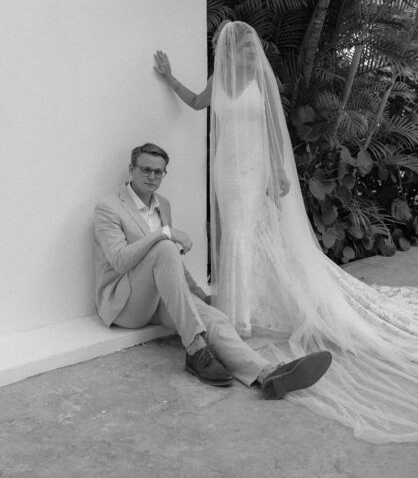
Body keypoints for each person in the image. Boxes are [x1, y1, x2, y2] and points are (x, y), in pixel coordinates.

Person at [154, 22, 418, 444]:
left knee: (245, 233)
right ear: (228, 50)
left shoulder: (259, 79)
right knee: (235, 234)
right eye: (239, 48)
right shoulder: (219, 80)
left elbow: (271, 131)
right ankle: (238, 306)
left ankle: (240, 313)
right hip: (226, 170)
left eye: (248, 47)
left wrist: (279, 171)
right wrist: (169, 77)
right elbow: (196, 103)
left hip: (253, 167)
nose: (245, 53)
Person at [93, 141, 332, 398]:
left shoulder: (163, 204)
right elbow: (119, 260)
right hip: (126, 305)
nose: (152, 176)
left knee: (213, 318)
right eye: (145, 169)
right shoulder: (108, 208)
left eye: (158, 172)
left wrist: (199, 295)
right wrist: (164, 233)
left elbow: (171, 263)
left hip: (159, 298)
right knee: (164, 246)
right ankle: (195, 349)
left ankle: (268, 374)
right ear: (131, 169)